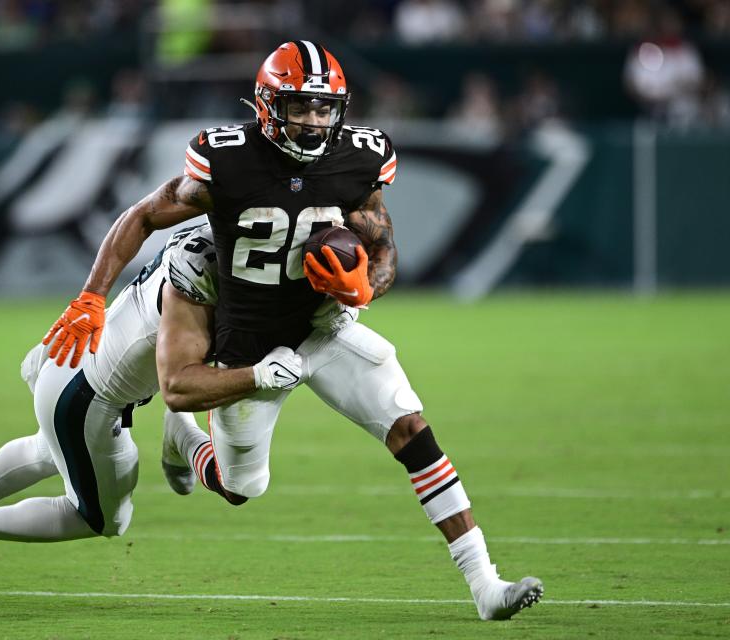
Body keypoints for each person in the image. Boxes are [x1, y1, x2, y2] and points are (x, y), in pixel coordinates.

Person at [39, 41, 542, 620]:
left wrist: (365, 286)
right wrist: (91, 297)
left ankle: (485, 584)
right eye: (300, 107)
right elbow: (143, 216)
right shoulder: (226, 161)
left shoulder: (359, 157)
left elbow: (381, 245)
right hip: (248, 343)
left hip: (324, 325)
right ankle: (185, 437)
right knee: (239, 487)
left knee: (409, 426)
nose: (313, 121)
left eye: (325, 109)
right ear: (266, 105)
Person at [0, 223, 348, 581]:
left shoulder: (204, 243)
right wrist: (259, 376)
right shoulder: (211, 284)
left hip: (72, 360)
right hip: (89, 395)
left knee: (50, 450)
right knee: (101, 519)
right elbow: (182, 387)